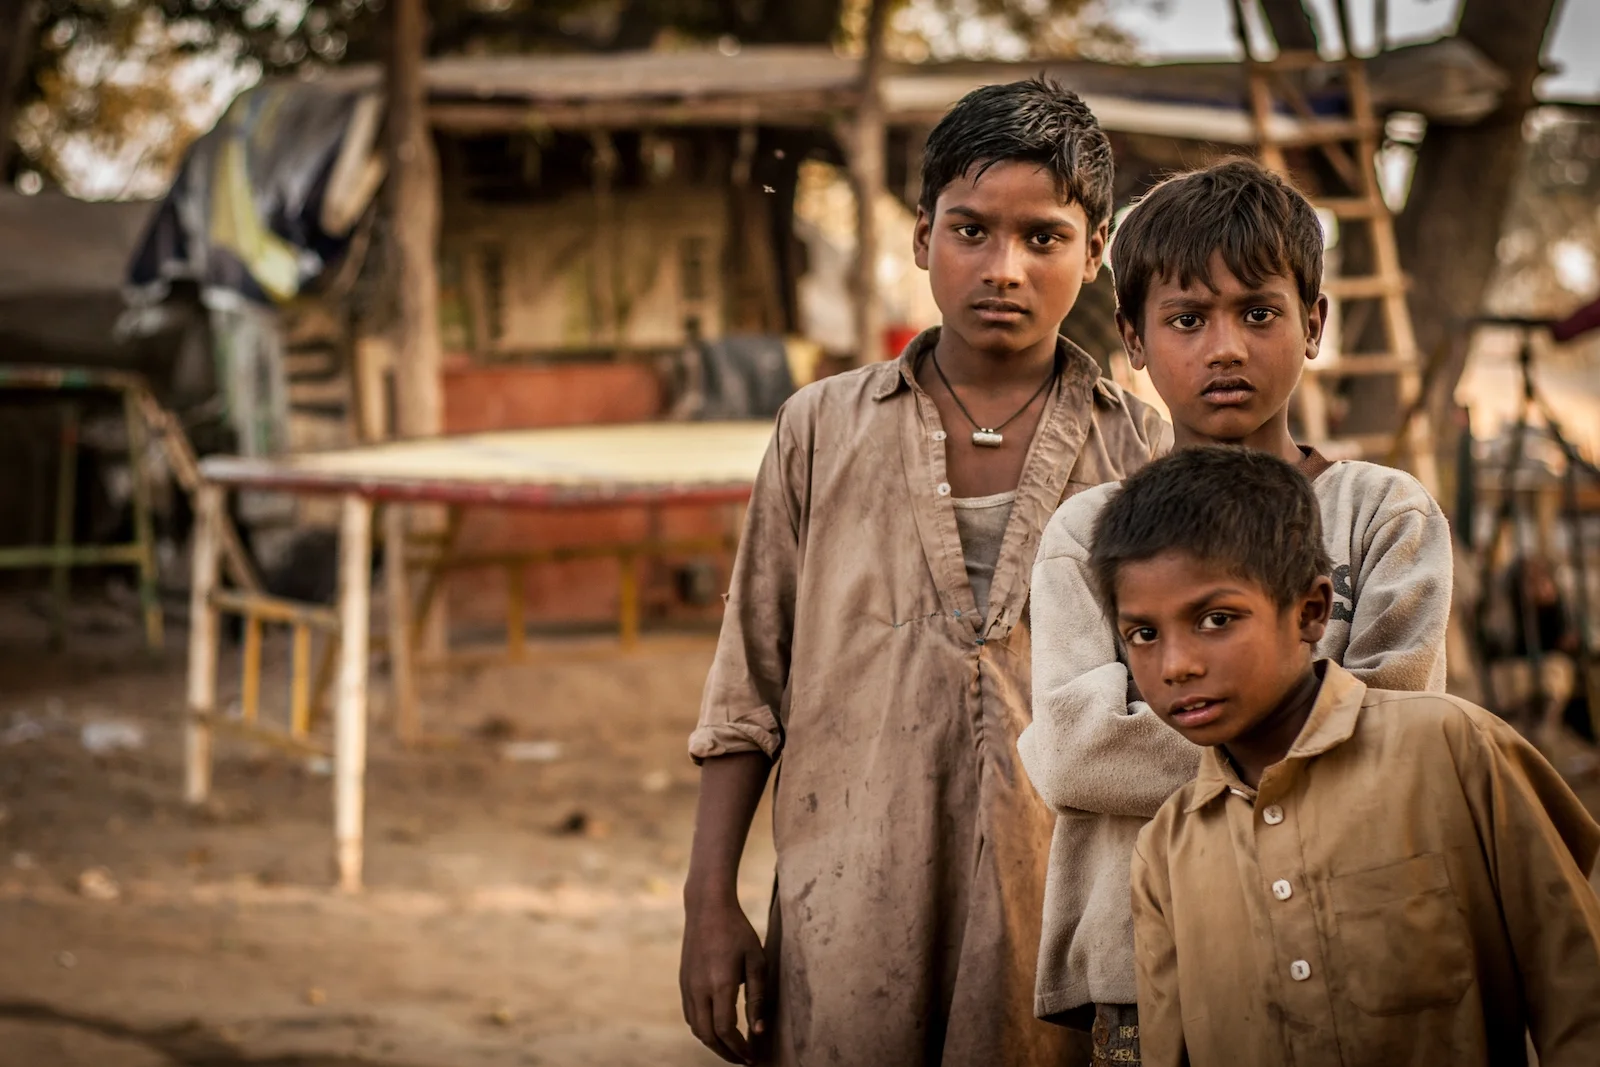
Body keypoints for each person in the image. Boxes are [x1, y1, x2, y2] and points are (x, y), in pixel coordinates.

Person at [679, 78, 1169, 1067]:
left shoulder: (1142, 450)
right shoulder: (820, 429)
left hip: (1057, 920)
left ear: (1096, 248)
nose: (1003, 268)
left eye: (1043, 237)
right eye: (970, 229)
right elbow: (749, 682)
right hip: (844, 901)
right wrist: (708, 900)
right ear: (919, 235)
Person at [1015, 158, 1454, 1064]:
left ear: (1314, 323)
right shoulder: (1090, 533)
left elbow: (1387, 744)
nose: (1225, 348)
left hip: (1345, 959)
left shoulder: (1383, 516)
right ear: (1133, 339)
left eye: (1259, 313)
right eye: (1186, 319)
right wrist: (1299, 724)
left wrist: (1175, 723)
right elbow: (1071, 750)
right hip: (1144, 970)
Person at [1088, 446, 1600, 1066]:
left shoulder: (1454, 749)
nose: (1176, 666)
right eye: (1144, 634)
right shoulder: (1165, 854)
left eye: (1217, 619)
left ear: (1310, 612)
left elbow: (1579, 1000)